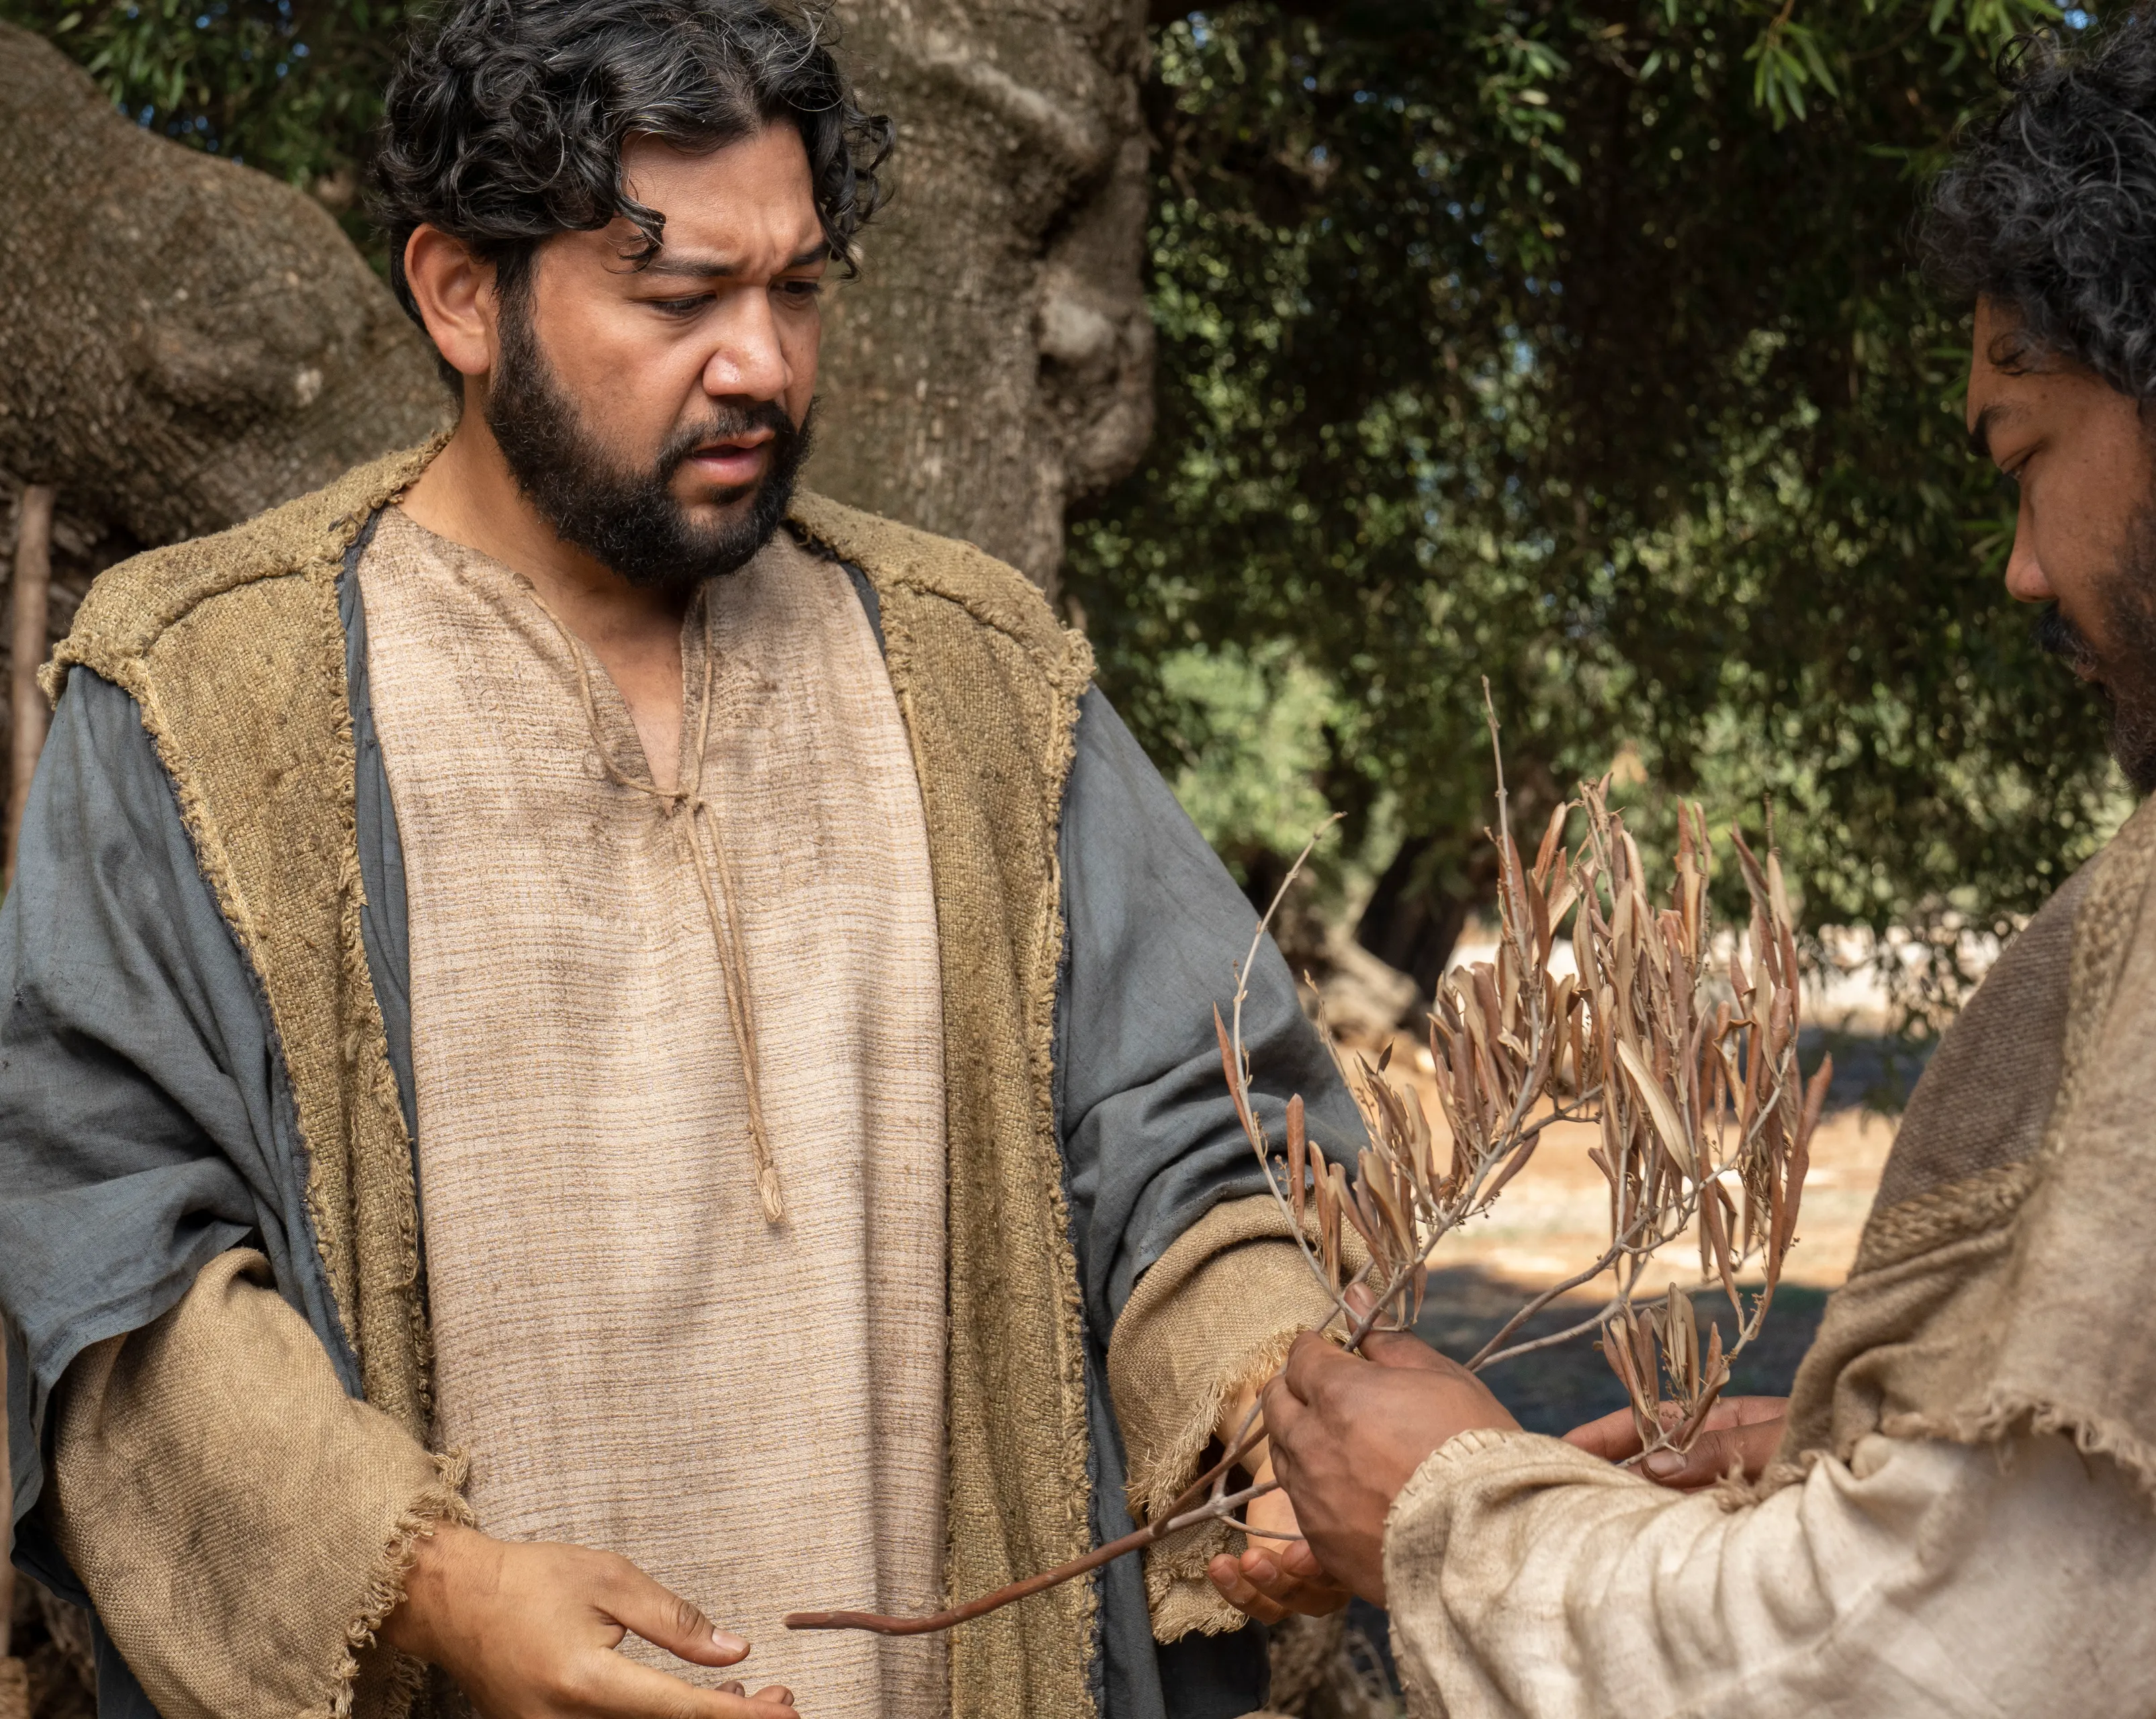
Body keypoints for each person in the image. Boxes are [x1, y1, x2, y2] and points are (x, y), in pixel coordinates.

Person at [0, 3, 1359, 1716]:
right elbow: (104, 1259)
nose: (763, 365)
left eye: (793, 289)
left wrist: (1268, 1404)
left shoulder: (984, 678)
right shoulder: (205, 698)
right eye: (678, 298)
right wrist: (447, 1587)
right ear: (458, 293)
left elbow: (1205, 1138)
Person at [1226, 2, 2156, 1713]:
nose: (2025, 572)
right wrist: (1908, 1431)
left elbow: (1949, 1661)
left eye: (2030, 456)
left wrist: (1454, 1507)